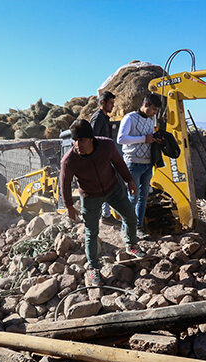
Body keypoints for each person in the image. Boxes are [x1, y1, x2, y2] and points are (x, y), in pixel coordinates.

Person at [60, 119, 147, 286]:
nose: (78, 144)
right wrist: (69, 206)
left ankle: (131, 245)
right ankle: (93, 268)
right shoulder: (69, 160)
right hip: (90, 197)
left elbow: (119, 163)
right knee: (91, 233)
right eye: (75, 140)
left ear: (91, 138)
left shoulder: (106, 146)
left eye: (82, 140)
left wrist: (129, 181)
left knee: (130, 216)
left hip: (113, 189)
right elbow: (64, 183)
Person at [117, 93, 162, 238]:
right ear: (146, 104)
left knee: (143, 198)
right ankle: (126, 230)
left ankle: (138, 227)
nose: (155, 113)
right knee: (132, 198)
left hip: (147, 164)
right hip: (133, 163)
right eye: (154, 109)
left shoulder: (150, 121)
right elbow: (121, 139)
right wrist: (143, 139)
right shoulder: (129, 118)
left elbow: (149, 139)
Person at [90, 91, 119, 225]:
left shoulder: (104, 118)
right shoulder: (97, 118)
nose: (113, 106)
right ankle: (105, 215)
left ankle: (107, 214)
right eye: (111, 103)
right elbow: (93, 140)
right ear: (103, 103)